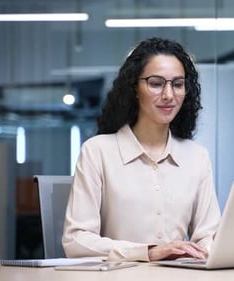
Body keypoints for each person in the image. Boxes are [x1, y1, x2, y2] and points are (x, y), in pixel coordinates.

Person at [62, 37, 221, 262]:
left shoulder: (196, 156)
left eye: (177, 84)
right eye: (156, 83)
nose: (168, 95)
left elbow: (208, 234)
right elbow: (76, 240)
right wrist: (147, 252)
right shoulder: (97, 152)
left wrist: (210, 248)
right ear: (135, 88)